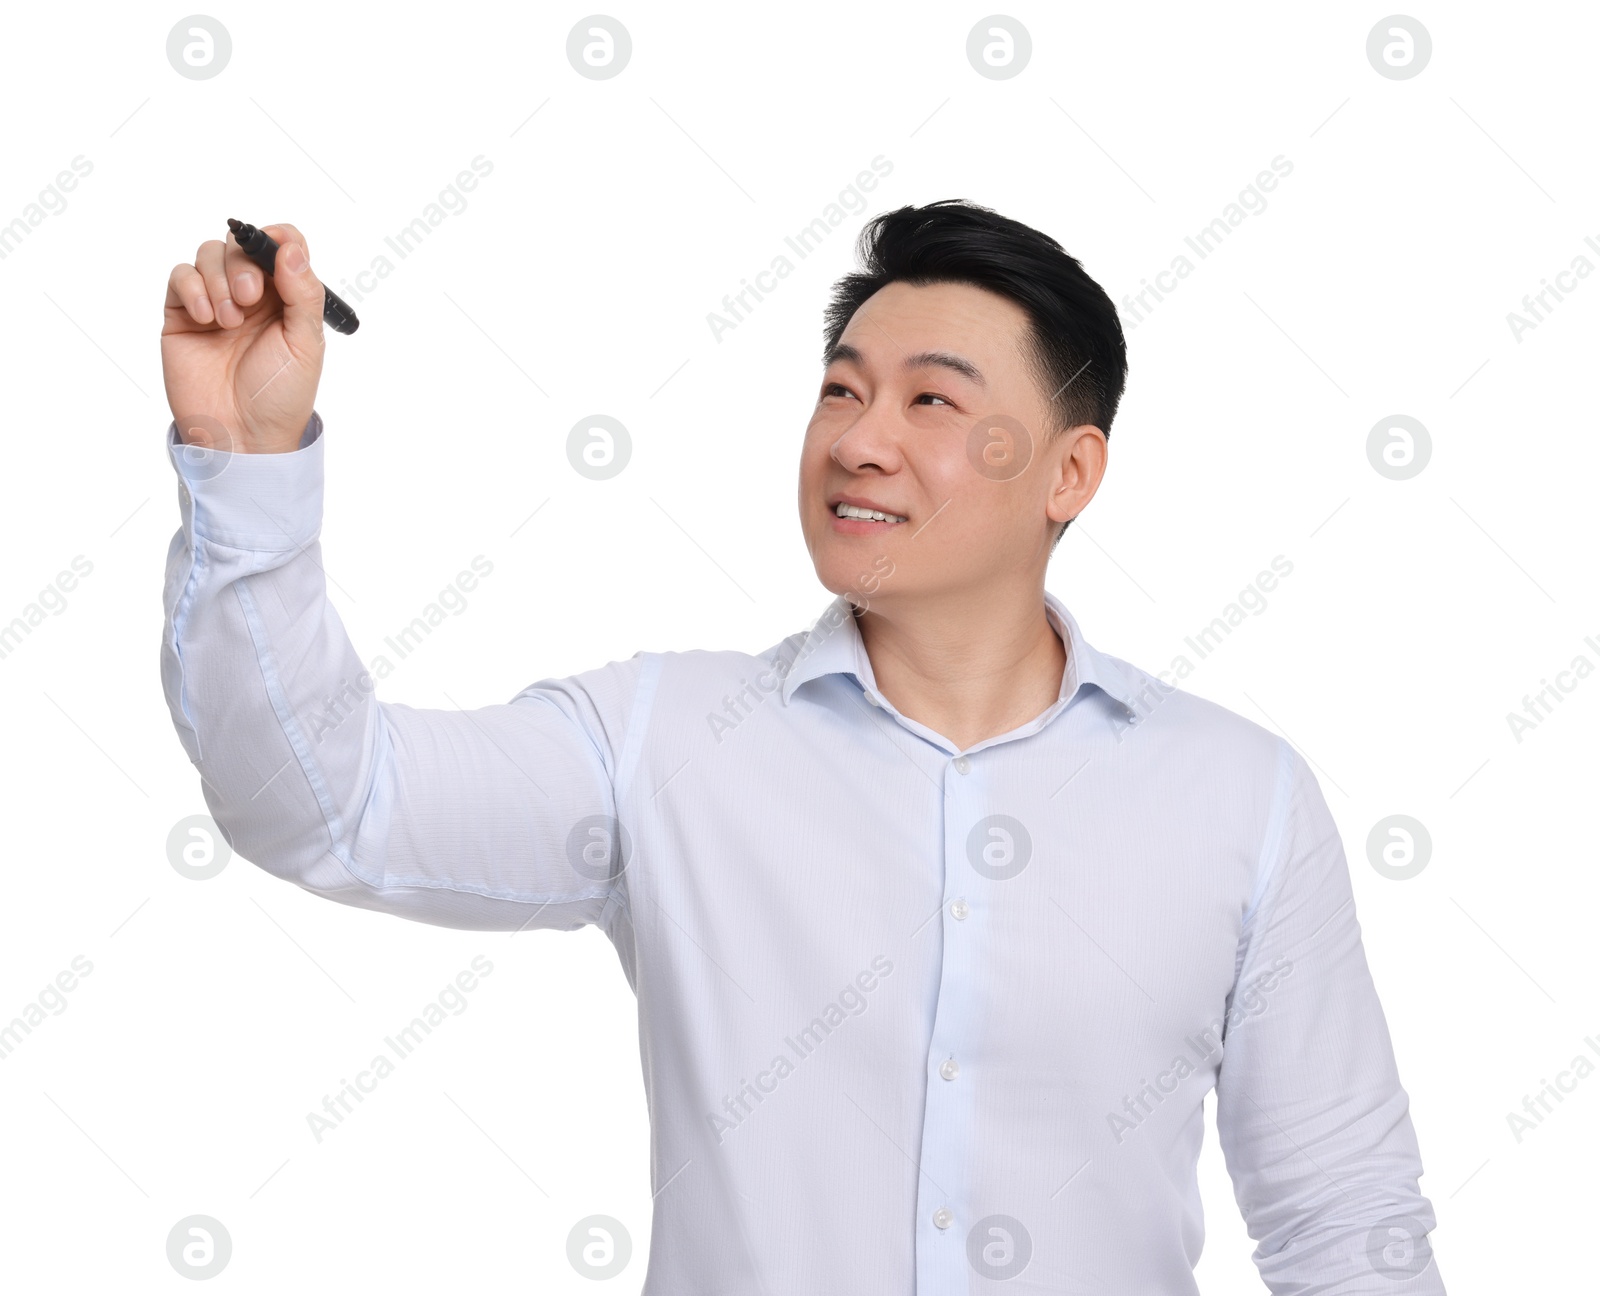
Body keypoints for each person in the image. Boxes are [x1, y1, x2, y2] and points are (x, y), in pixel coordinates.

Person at [158, 200, 1445, 1293]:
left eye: (931, 399)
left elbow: (1343, 1220)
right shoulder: (666, 742)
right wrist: (245, 458)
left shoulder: (1240, 798)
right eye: (841, 389)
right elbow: (326, 806)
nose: (857, 437)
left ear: (1070, 472)